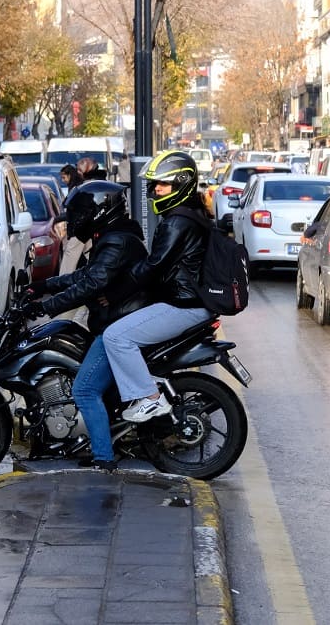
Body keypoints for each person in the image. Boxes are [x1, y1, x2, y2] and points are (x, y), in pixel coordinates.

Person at [26, 181, 150, 471]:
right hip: (115, 320)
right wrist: (44, 286)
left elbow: (91, 284)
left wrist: (46, 306)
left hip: (117, 325)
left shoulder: (117, 241)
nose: (75, 220)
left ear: (99, 211)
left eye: (80, 213)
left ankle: (103, 458)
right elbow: (84, 275)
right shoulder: (114, 237)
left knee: (84, 390)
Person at [101, 150, 212, 423]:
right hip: (190, 301)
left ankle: (150, 399)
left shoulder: (177, 222)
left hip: (184, 305)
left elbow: (152, 266)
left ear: (181, 184)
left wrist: (114, 293)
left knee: (115, 337)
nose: (156, 190)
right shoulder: (190, 215)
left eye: (164, 184)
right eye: (155, 184)